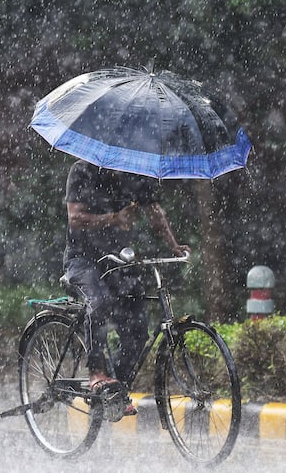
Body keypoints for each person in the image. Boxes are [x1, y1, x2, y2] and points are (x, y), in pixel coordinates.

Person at [63, 159, 190, 413]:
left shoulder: (136, 172)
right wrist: (113, 218)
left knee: (137, 329)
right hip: (83, 260)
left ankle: (116, 390)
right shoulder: (82, 171)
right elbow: (75, 219)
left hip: (118, 260)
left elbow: (155, 212)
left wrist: (173, 245)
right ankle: (97, 374)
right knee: (98, 304)